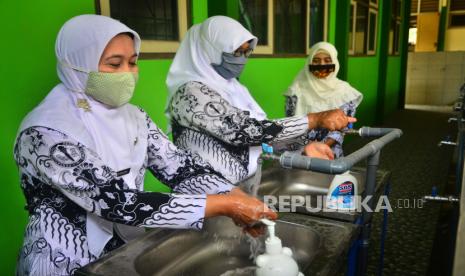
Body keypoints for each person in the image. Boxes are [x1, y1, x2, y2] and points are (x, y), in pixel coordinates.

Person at [14, 15, 276, 276]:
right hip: (63, 261)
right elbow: (116, 201)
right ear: (76, 65)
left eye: (132, 62)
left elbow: (180, 167)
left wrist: (231, 193)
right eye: (114, 64)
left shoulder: (135, 117)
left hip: (123, 255)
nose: (127, 73)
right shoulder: (45, 131)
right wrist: (224, 205)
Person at [166, 16, 355, 184]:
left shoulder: (235, 88)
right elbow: (244, 131)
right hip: (209, 197)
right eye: (236, 52)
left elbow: (263, 137)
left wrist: (303, 149)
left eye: (246, 52)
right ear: (211, 49)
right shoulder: (190, 92)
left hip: (246, 188)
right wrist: (313, 119)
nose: (242, 60)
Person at [284, 42, 363, 158]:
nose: (321, 64)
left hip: (328, 152)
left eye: (327, 61)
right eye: (316, 61)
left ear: (334, 62)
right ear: (309, 62)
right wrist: (304, 148)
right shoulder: (296, 90)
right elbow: (291, 122)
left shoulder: (345, 92)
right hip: (298, 152)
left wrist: (320, 147)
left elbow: (341, 128)